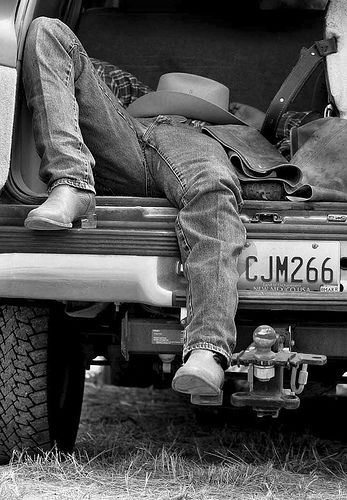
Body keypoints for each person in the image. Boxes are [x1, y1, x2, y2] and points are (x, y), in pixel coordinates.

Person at [21, 17, 320, 400]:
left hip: (195, 150)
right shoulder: (128, 93)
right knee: (47, 29)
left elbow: (317, 127)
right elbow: (77, 67)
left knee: (212, 190)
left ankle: (206, 351)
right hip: (125, 142)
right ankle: (71, 182)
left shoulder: (240, 129)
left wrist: (259, 120)